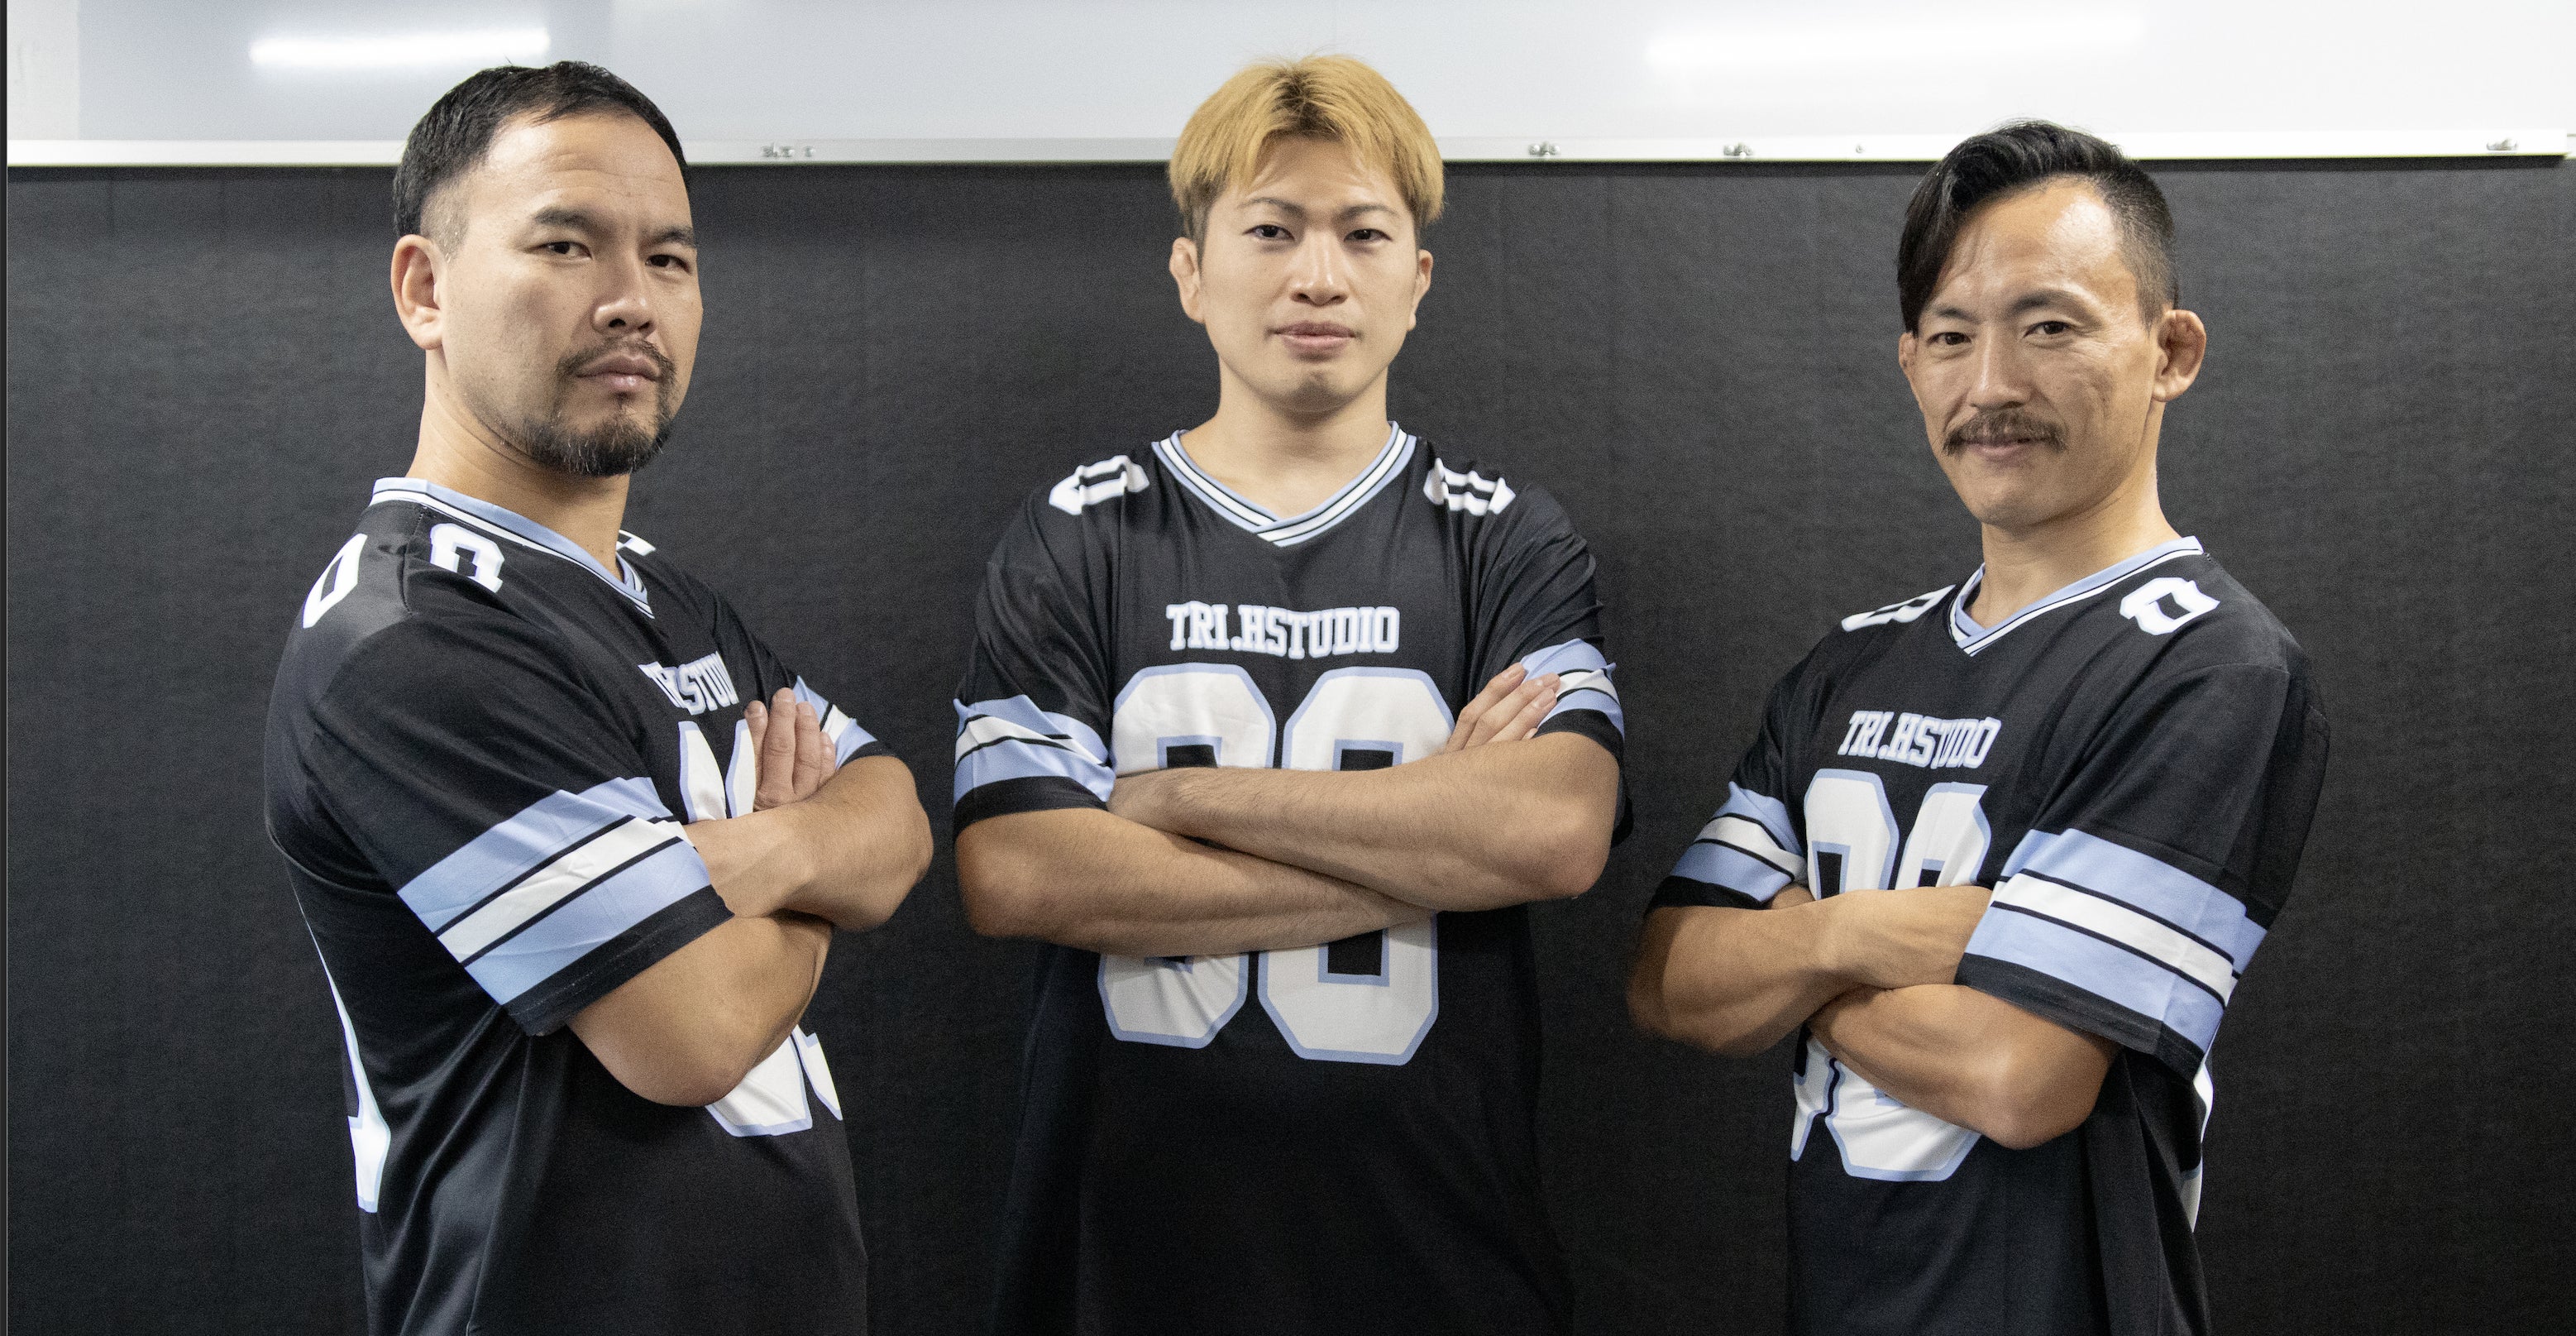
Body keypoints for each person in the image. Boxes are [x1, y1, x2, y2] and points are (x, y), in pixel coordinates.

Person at [949, 55, 1626, 1335]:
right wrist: (1441, 845)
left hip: (1439, 1264)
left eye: (1363, 233)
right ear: (1192, 272)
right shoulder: (1078, 535)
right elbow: (1020, 873)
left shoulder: (1504, 540)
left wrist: (1175, 800)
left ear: (1416, 280)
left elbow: (1552, 831)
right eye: (1271, 230)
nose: (1319, 275)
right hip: (1125, 1269)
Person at [1628, 122, 2329, 1335]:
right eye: (1952, 336)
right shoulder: (1851, 663)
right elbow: (1665, 978)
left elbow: (2019, 1078)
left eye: (2049, 327)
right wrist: (1869, 933)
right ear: (1911, 363)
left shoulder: (2209, 664)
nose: (1992, 385)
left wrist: (1790, 955)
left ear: (2170, 352)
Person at [262, 62, 930, 1336]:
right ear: (424, 289)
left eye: (669, 258)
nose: (632, 298)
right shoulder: (408, 639)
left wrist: (756, 854)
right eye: (566, 245)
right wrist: (814, 881)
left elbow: (895, 821)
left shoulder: (662, 594)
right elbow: (694, 1035)